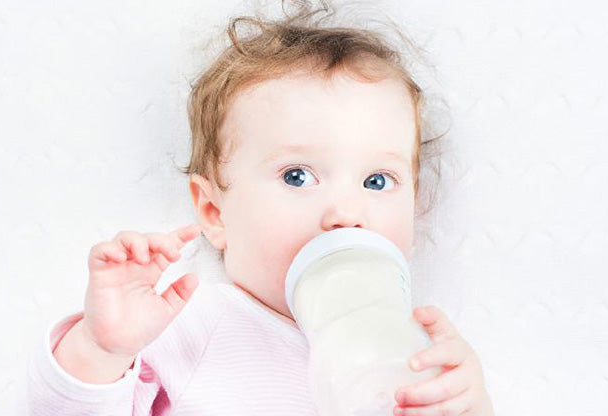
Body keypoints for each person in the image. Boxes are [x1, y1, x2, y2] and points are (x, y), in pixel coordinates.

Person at [27, 1, 495, 414]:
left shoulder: (414, 348)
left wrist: (470, 404)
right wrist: (101, 350)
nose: (344, 214)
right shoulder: (195, 323)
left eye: (378, 181)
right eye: (297, 176)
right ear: (214, 214)